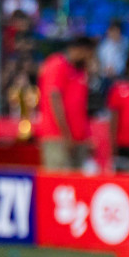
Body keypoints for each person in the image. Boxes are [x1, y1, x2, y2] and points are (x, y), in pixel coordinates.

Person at [37, 36, 95, 170]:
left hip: (78, 140)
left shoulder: (80, 72)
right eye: (89, 55)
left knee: (78, 185)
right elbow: (55, 101)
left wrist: (86, 136)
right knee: (59, 182)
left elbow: (80, 107)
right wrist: (66, 136)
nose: (90, 60)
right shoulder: (57, 65)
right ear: (81, 51)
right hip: (58, 138)